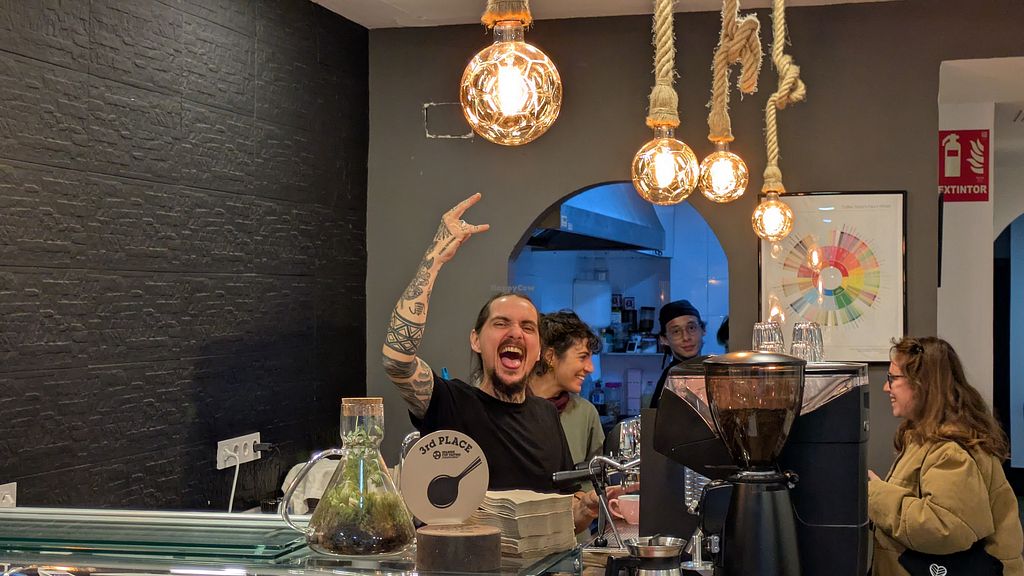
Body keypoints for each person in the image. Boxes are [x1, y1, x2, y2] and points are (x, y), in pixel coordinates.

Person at [381, 193, 613, 535]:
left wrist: (588, 508)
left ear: (539, 351)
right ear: (476, 340)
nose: (515, 332)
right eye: (501, 323)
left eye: (528, 327)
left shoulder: (546, 415)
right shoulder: (452, 403)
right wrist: (434, 259)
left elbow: (565, 515)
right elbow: (397, 360)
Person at [868, 336, 1023, 576]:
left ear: (922, 384)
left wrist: (875, 495)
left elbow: (945, 527)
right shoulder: (926, 439)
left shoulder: (950, 451)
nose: (886, 388)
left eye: (893, 378)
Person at [530, 310, 605, 467]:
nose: (590, 368)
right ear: (550, 357)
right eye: (582, 357)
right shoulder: (510, 406)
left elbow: (596, 475)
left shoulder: (586, 414)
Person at [648, 299, 706, 408]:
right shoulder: (669, 379)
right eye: (676, 331)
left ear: (703, 330)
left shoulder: (714, 371)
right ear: (664, 339)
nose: (686, 337)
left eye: (691, 328)